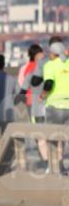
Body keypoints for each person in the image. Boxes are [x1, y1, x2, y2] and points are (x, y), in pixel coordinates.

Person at [18, 44, 50, 168]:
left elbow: (22, 89)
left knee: (40, 136)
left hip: (33, 106)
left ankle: (46, 160)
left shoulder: (27, 71)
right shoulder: (51, 70)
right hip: (51, 107)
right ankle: (52, 161)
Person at [40, 40, 69, 173]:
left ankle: (52, 167)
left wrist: (43, 95)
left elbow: (49, 83)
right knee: (63, 139)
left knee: (51, 137)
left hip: (54, 106)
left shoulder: (49, 65)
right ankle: (62, 166)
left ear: (53, 53)